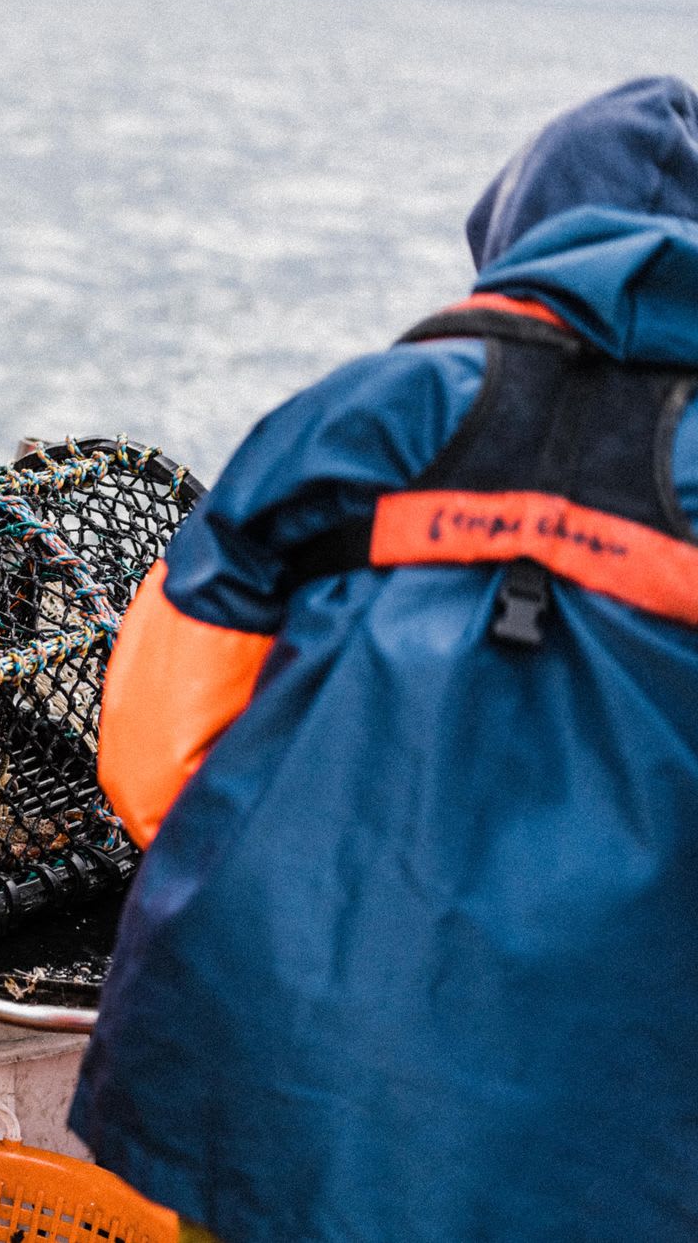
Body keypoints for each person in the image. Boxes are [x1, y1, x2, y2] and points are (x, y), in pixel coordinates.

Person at [70, 75, 698, 1242]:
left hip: (282, 1058)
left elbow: (152, 746)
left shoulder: (363, 410)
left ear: (520, 233)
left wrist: (291, 898)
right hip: (617, 1116)